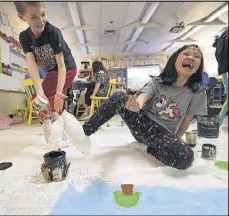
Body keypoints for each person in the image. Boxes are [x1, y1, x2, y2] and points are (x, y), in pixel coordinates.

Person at [73, 44, 207, 170]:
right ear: (175, 59)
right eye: (186, 53)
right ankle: (84, 132)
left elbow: (186, 121)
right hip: (141, 124)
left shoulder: (198, 92)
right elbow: (144, 95)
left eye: (196, 56)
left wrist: (174, 143)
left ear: (198, 67)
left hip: (162, 135)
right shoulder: (157, 81)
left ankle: (145, 148)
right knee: (120, 96)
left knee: (186, 158)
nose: (191, 57)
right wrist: (137, 104)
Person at [14, 2, 77, 148]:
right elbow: (32, 64)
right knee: (42, 98)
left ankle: (53, 132)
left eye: (43, 15)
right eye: (34, 17)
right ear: (22, 17)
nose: (40, 21)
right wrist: (40, 91)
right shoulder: (25, 37)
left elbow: (62, 65)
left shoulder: (52, 32)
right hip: (52, 72)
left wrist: (59, 92)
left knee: (49, 98)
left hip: (67, 68)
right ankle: (59, 133)